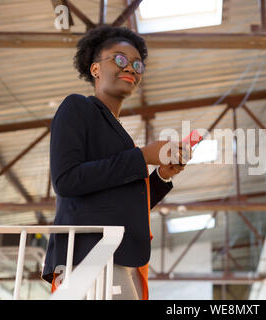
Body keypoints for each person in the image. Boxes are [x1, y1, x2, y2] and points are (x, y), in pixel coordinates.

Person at [41, 25, 191, 300]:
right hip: (89, 255)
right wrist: (143, 156)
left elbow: (124, 202)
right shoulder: (77, 107)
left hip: (120, 257)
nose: (131, 68)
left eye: (138, 64)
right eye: (120, 59)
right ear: (95, 69)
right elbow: (66, 180)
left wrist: (161, 176)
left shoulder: (121, 136)